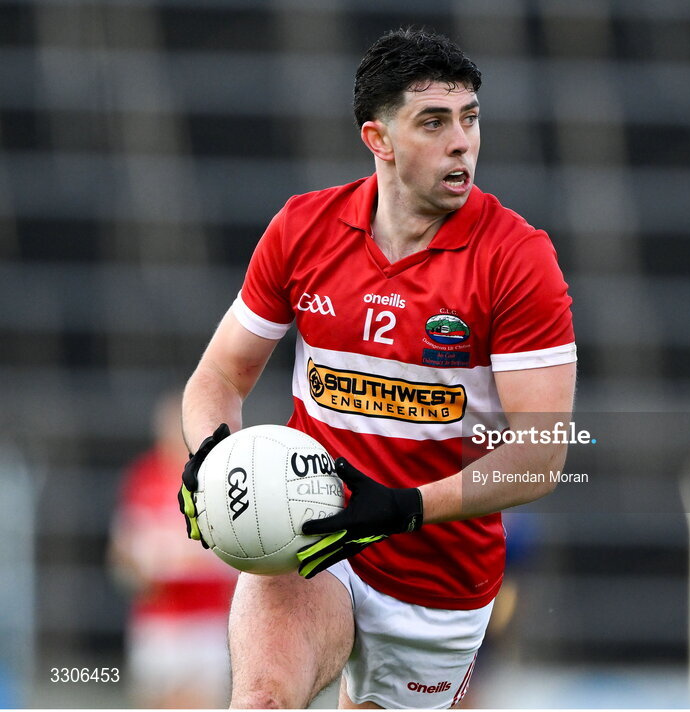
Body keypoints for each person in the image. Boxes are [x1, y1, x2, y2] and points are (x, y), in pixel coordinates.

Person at [178, 27, 576, 709]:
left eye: (470, 118)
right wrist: (212, 458)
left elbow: (540, 455)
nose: (463, 142)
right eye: (434, 121)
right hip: (313, 535)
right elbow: (218, 379)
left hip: (437, 577)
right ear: (379, 139)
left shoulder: (516, 259)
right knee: (263, 698)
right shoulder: (303, 229)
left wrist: (405, 507)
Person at [108, 392, 237, 708]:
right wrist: (138, 572)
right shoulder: (143, 475)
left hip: (207, 619)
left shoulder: (217, 475)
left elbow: (236, 548)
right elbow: (122, 549)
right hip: (158, 619)